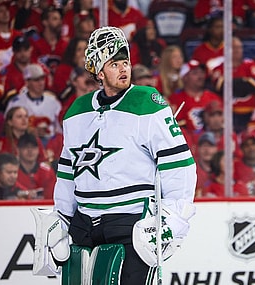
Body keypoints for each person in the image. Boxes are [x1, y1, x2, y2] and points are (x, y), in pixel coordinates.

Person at [52, 26, 196, 284]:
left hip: (132, 226)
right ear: (97, 69)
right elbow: (67, 174)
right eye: (114, 64)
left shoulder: (146, 103)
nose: (123, 69)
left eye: (126, 62)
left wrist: (173, 222)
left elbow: (180, 167)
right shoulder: (76, 112)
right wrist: (61, 222)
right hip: (84, 226)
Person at [210, 36, 255, 133]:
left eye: (239, 47)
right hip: (228, 113)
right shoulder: (219, 68)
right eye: (233, 47)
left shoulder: (250, 64)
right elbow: (220, 88)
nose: (237, 50)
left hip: (250, 112)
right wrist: (244, 81)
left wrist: (230, 83)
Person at [5, 63, 62, 146]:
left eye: (42, 79)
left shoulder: (53, 102)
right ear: (27, 82)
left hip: (50, 144)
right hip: (23, 144)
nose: (41, 83)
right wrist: (28, 131)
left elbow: (60, 130)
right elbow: (7, 128)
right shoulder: (16, 102)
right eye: (36, 80)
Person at [168, 59, 222, 131]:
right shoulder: (175, 100)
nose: (200, 76)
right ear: (185, 77)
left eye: (202, 72)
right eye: (195, 73)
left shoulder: (213, 97)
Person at [16, 132, 56, 199]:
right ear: (18, 150)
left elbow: (50, 199)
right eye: (26, 147)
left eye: (33, 147)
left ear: (38, 150)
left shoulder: (47, 172)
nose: (30, 151)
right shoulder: (13, 171)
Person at [194, 132, 218, 197]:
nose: (206, 150)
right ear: (198, 149)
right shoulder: (192, 170)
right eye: (203, 145)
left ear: (216, 149)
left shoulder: (221, 168)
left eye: (210, 146)